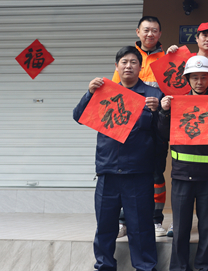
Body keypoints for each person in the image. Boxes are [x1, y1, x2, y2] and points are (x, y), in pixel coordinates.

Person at [73, 46, 163, 271]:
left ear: (140, 67)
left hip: (138, 173)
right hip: (108, 171)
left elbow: (164, 133)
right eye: (124, 62)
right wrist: (89, 93)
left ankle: (145, 266)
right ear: (116, 66)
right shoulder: (105, 92)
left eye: (133, 62)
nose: (128, 66)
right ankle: (104, 265)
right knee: (105, 226)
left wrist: (158, 113)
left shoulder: (153, 95)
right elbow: (78, 116)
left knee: (141, 226)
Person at [158, 56, 208, 271]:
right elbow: (163, 134)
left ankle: (205, 267)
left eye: (204, 77)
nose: (199, 82)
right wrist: (164, 112)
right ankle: (179, 268)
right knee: (180, 228)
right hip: (181, 175)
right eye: (195, 77)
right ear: (188, 80)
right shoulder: (177, 102)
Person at [113, 16, 178, 238]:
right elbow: (116, 92)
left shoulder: (167, 58)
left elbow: (176, 91)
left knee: (156, 173)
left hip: (156, 125)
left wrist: (176, 57)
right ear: (138, 32)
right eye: (146, 30)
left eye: (154, 30)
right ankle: (123, 221)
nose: (150, 34)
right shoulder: (128, 58)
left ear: (160, 34)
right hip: (129, 127)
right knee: (126, 172)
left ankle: (155, 220)